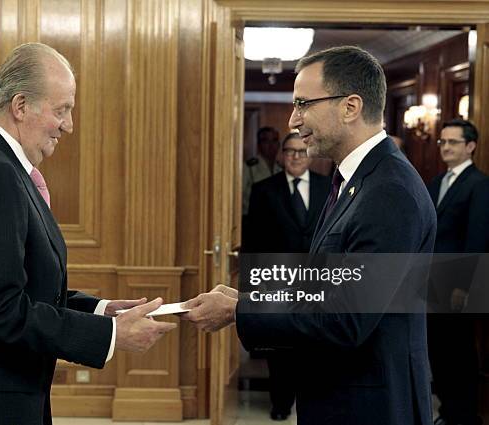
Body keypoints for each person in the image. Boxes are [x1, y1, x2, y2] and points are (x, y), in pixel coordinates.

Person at [0, 43, 176, 425]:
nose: (68, 125)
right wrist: (109, 335)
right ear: (20, 106)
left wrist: (101, 311)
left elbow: (16, 288)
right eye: (62, 110)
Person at [183, 46, 437, 425]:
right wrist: (248, 298)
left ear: (350, 107)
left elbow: (346, 318)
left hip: (370, 407)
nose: (292, 120)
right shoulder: (357, 181)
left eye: (303, 104)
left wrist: (238, 311)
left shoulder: (389, 191)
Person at [244, 131, 329, 421]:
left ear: (310, 155)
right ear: (281, 155)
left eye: (301, 151)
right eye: (290, 151)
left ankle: (311, 402)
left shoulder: (328, 187)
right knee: (279, 348)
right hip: (276, 280)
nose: (295, 156)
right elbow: (253, 241)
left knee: (313, 345)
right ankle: (280, 404)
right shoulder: (264, 190)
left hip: (317, 281)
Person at [427, 119, 489, 425]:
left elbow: (477, 238)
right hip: (434, 281)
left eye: (452, 142)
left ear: (470, 146)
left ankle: (464, 416)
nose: (445, 147)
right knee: (438, 350)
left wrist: (464, 287)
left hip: (460, 284)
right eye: (442, 142)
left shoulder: (479, 184)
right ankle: (448, 412)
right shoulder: (438, 181)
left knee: (460, 353)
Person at [242, 126, 282, 216]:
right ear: (259, 145)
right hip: (252, 218)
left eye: (274, 140)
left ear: (279, 144)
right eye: (266, 141)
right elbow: (237, 196)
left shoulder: (280, 169)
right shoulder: (249, 167)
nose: (271, 145)